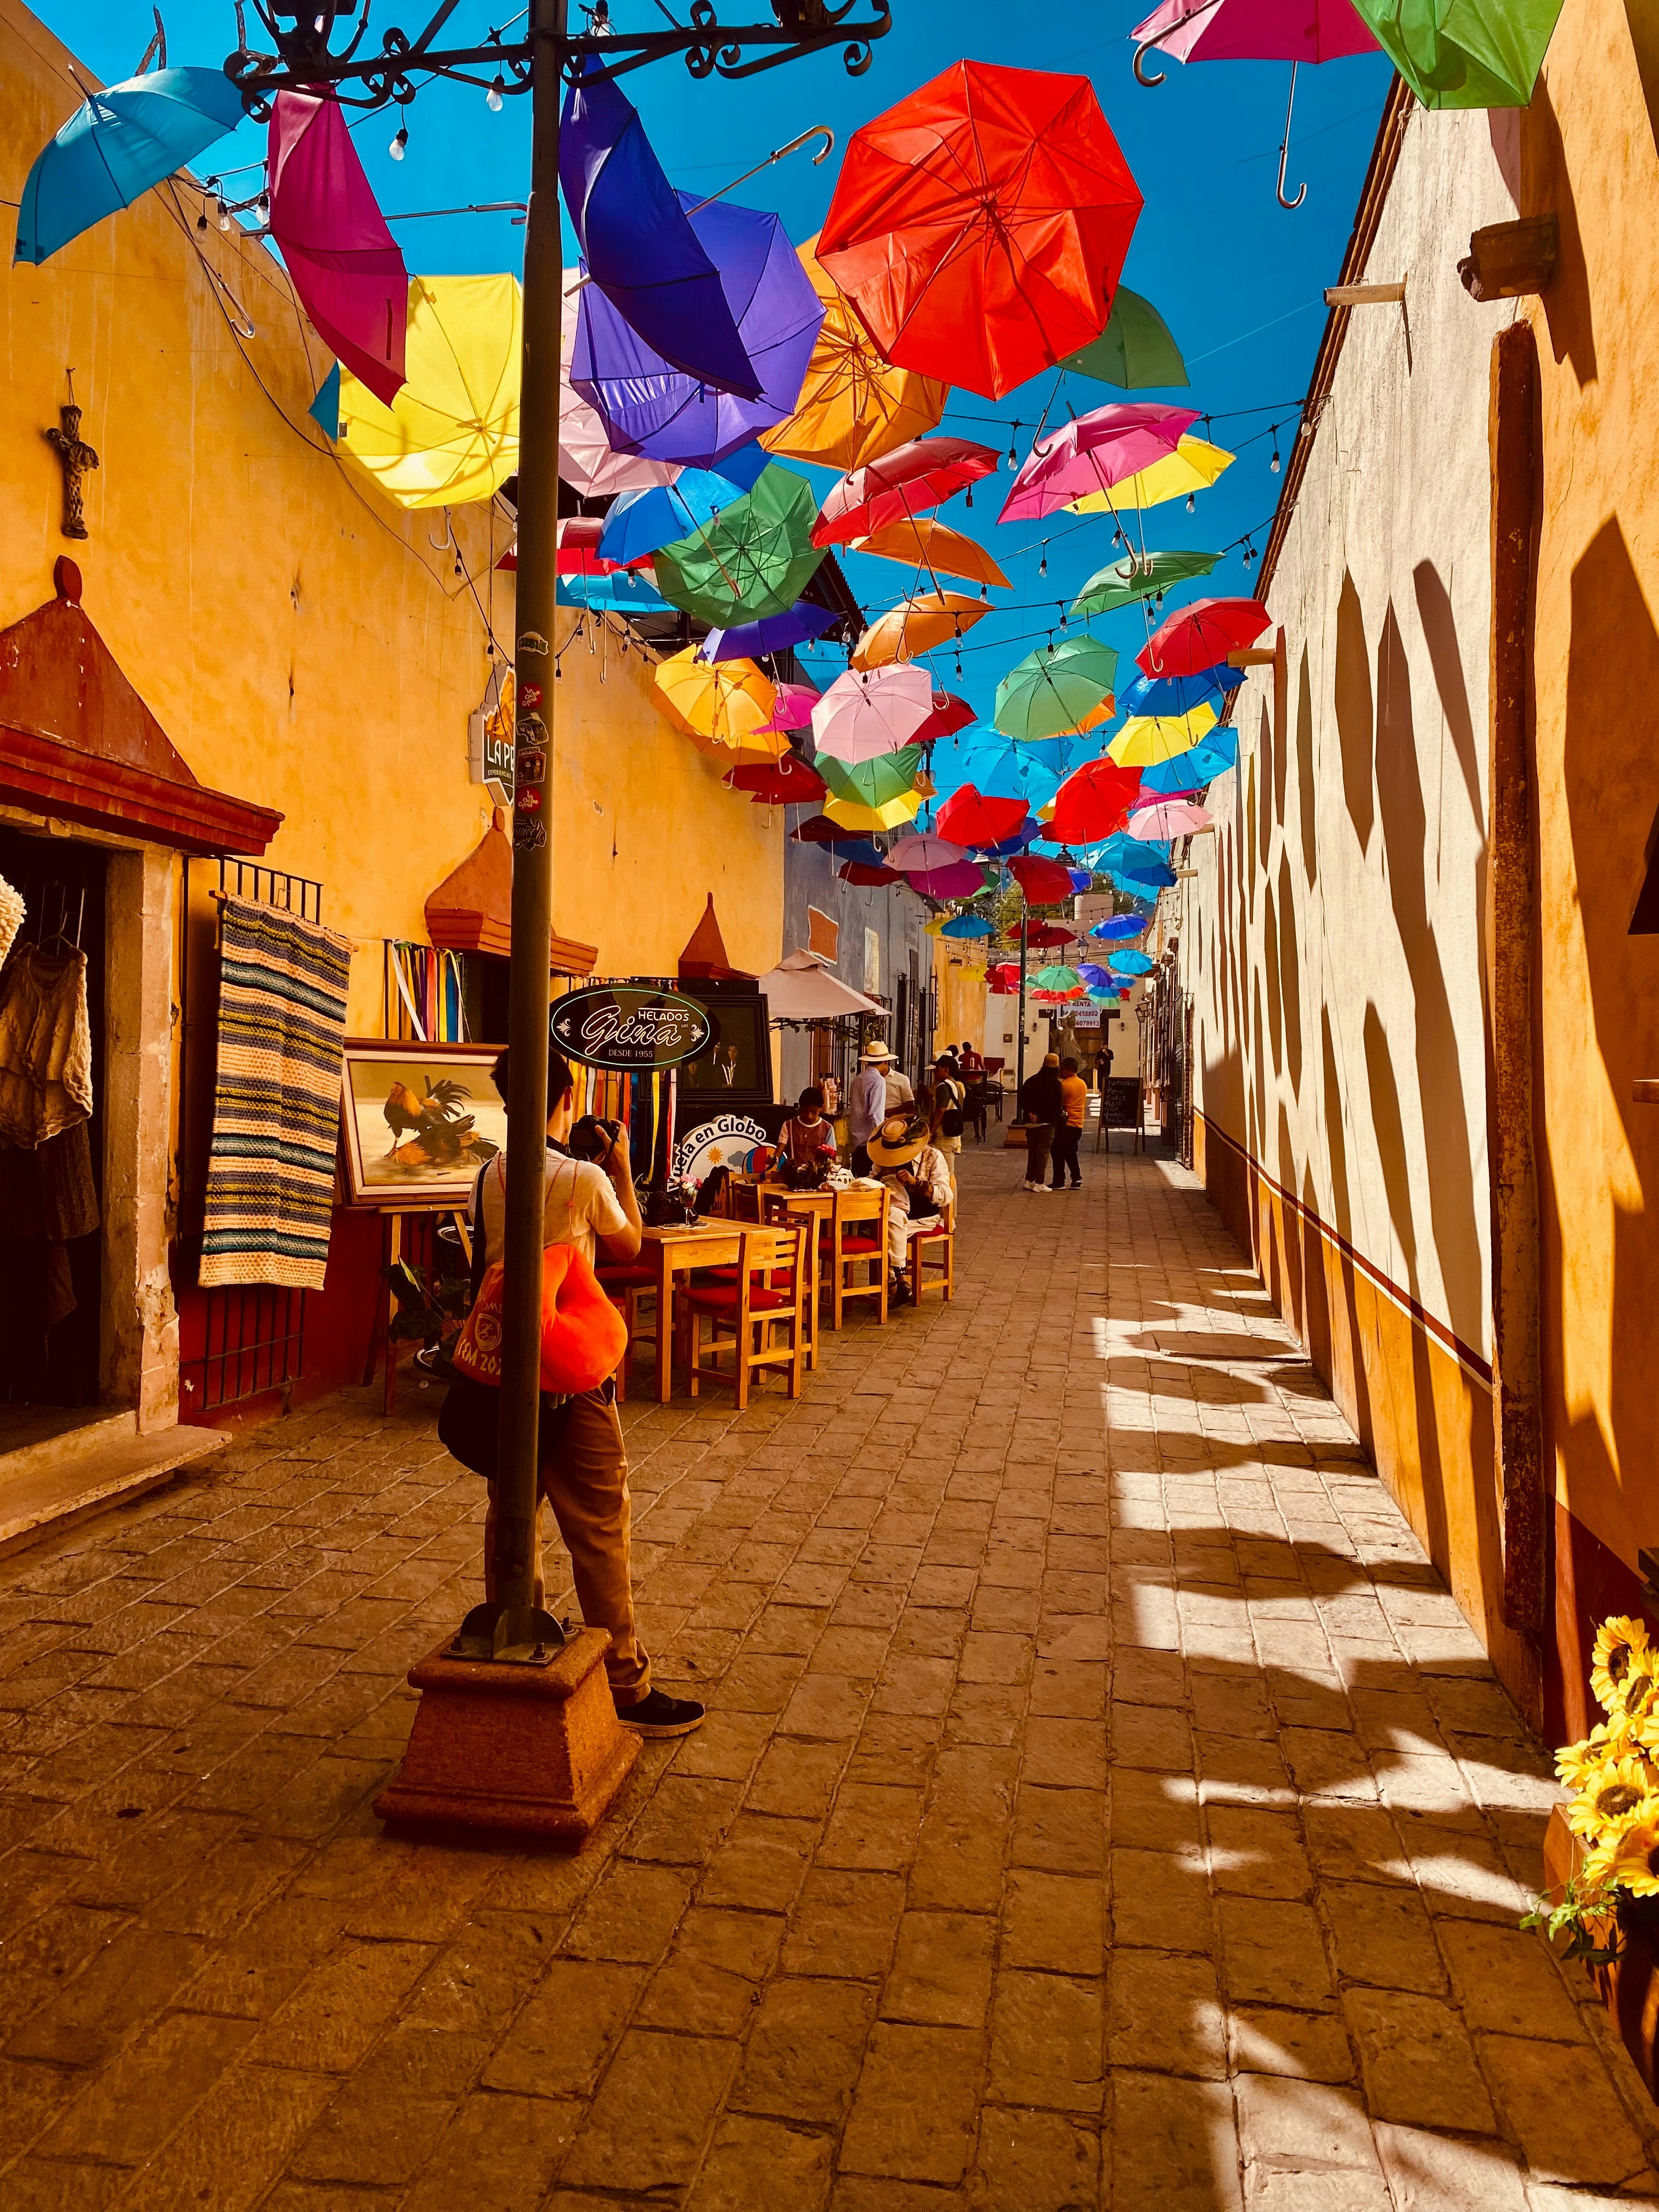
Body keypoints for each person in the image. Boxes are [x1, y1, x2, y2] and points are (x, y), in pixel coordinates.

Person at [467, 1041, 703, 1739]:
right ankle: (625, 1682)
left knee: (513, 1509)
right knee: (601, 1524)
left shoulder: (487, 1174)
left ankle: (519, 1640)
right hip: (569, 1369)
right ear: (564, 1097)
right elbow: (629, 1245)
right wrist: (622, 1166)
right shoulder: (581, 1178)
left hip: (505, 1367)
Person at [867, 1111, 953, 1307]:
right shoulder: (884, 1159)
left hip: (924, 1218)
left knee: (889, 1227)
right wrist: (880, 1178)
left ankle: (895, 1285)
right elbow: (870, 1181)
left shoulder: (933, 1157)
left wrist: (916, 1183)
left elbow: (946, 1196)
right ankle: (901, 1281)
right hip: (893, 1216)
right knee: (893, 1218)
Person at [1017, 1051, 1064, 1194]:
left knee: (1032, 1152)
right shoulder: (1056, 1084)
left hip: (1031, 1122)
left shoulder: (1031, 1080)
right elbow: (1056, 1107)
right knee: (1043, 1153)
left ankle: (1029, 1180)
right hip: (1047, 1123)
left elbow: (1022, 1100)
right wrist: (1043, 1116)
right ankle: (1040, 1182)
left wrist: (1031, 1113)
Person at [847, 1046, 891, 1176]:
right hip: (870, 1142)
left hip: (856, 1141)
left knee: (858, 1179)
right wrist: (880, 1142)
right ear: (885, 1062)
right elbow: (876, 1114)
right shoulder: (879, 1081)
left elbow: (851, 1100)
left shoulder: (857, 1079)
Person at [778, 1085, 838, 1180]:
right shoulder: (789, 1126)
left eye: (814, 1112)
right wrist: (774, 1159)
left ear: (822, 1108)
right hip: (794, 1178)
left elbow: (831, 1157)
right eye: (805, 1111)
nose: (809, 1116)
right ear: (800, 1107)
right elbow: (779, 1151)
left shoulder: (827, 1128)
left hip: (817, 1178)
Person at [931, 1055, 967, 1196]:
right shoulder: (957, 1085)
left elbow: (940, 1111)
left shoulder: (943, 1086)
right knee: (949, 1175)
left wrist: (931, 1133)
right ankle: (950, 1213)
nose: (934, 1071)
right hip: (952, 1136)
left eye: (937, 1068)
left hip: (943, 1136)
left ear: (946, 1069)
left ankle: (948, 1213)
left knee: (944, 1176)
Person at [1053, 1056, 1088, 1190]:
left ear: (1068, 1070)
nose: (1060, 1072)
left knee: (1058, 1152)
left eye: (1062, 1069)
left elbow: (1058, 1103)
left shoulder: (1064, 1085)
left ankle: (1059, 1181)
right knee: (1071, 1152)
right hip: (1078, 1124)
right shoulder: (1082, 1084)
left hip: (1066, 1124)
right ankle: (1076, 1177)